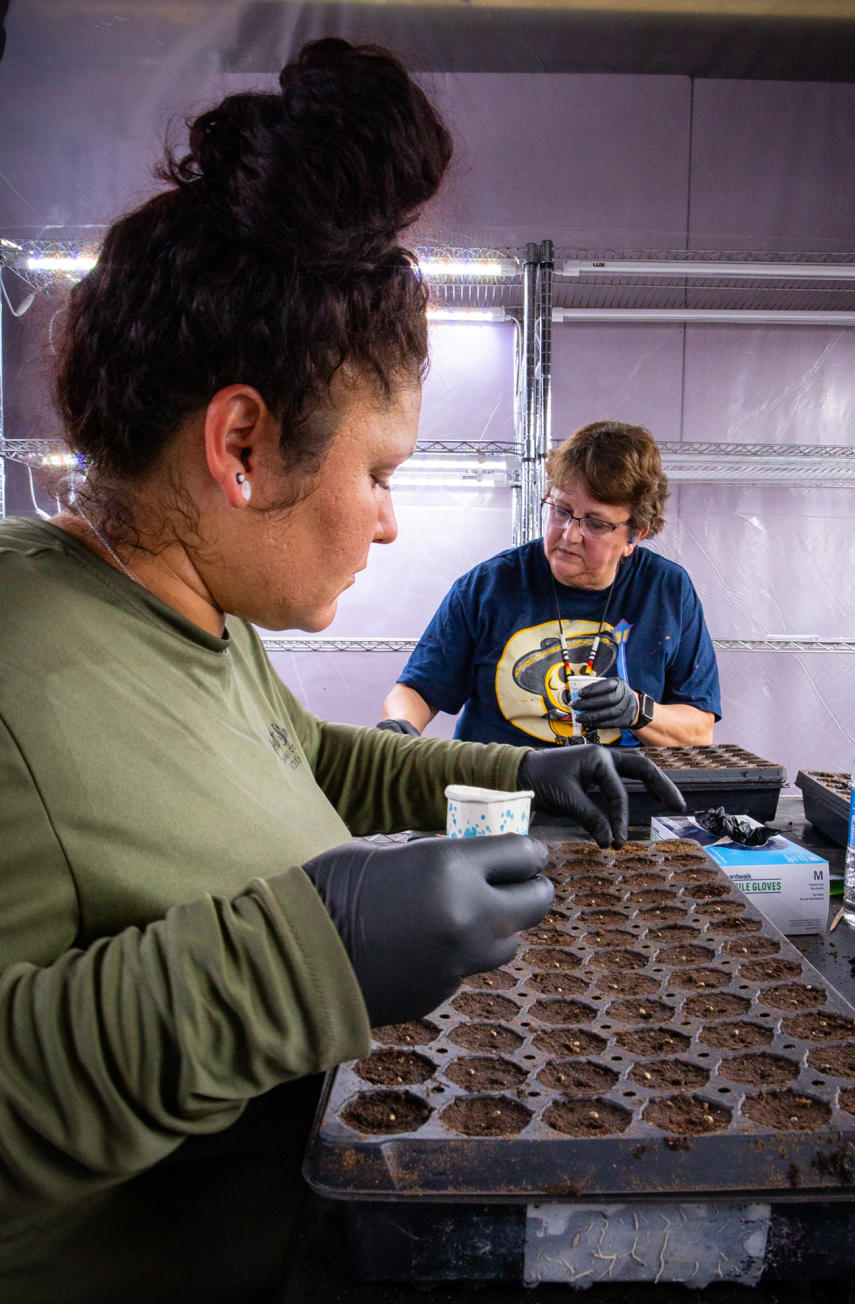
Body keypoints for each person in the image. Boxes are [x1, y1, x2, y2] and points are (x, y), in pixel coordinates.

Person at [0, 39, 684, 1304]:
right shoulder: (14, 652)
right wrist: (318, 942)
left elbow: (300, 756)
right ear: (243, 442)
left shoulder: (202, 618)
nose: (385, 520)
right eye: (378, 470)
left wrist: (515, 771)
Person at [382, 420, 721, 747]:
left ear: (635, 535)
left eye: (596, 524)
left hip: (617, 795)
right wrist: (396, 730)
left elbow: (698, 731)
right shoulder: (490, 586)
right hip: (503, 791)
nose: (570, 536)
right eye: (561, 511)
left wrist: (637, 709)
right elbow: (418, 692)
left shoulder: (666, 591)